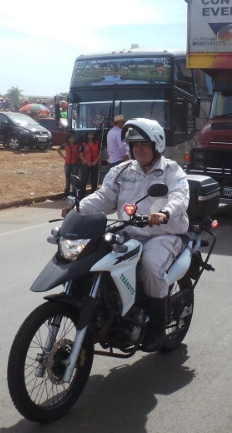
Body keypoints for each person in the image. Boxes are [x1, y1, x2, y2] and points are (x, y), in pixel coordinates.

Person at [61, 118, 189, 352]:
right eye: (133, 145)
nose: (138, 149)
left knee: (150, 266)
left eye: (144, 144)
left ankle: (156, 328)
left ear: (156, 144)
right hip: (127, 232)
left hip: (162, 234)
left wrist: (164, 213)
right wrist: (77, 208)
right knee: (94, 257)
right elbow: (104, 197)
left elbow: (180, 196)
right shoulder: (121, 170)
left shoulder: (171, 170)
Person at [57, 133, 80, 198]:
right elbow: (58, 149)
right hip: (67, 164)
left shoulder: (77, 145)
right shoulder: (65, 145)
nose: (73, 139)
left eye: (73, 138)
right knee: (68, 179)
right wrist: (63, 156)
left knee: (74, 179)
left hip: (74, 164)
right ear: (68, 139)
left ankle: (74, 194)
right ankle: (66, 194)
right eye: (71, 138)